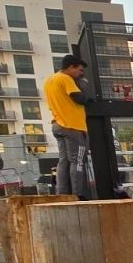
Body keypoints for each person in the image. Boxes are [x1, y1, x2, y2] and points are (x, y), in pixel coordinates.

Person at [44, 54, 92, 198]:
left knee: (63, 161)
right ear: (71, 67)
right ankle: (78, 194)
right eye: (80, 70)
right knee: (77, 161)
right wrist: (85, 94)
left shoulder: (49, 80)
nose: (81, 73)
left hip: (57, 124)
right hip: (73, 126)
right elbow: (78, 98)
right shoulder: (66, 78)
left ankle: (62, 193)